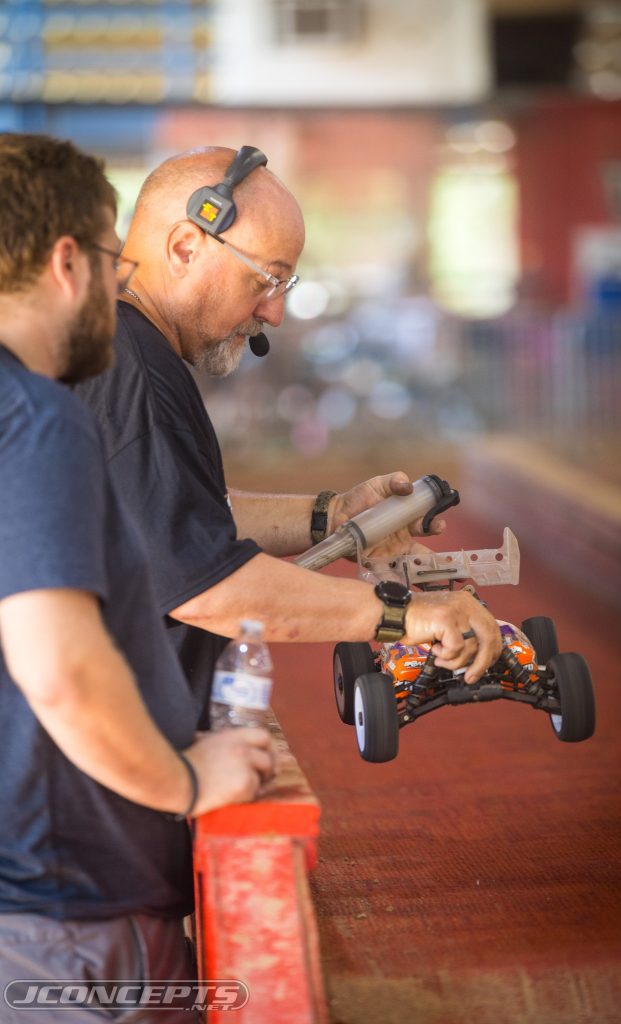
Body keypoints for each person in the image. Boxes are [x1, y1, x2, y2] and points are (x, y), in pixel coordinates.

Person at [74, 145, 502, 720]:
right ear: (185, 247)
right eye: (267, 280)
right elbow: (203, 586)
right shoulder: (136, 376)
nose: (273, 314)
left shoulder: (120, 349)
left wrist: (333, 515)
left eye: (285, 286)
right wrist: (406, 614)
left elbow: (172, 516)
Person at [0, 133, 276, 1022]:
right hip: (67, 912)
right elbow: (59, 667)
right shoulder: (36, 417)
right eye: (113, 259)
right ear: (67, 262)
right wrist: (184, 780)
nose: (121, 286)